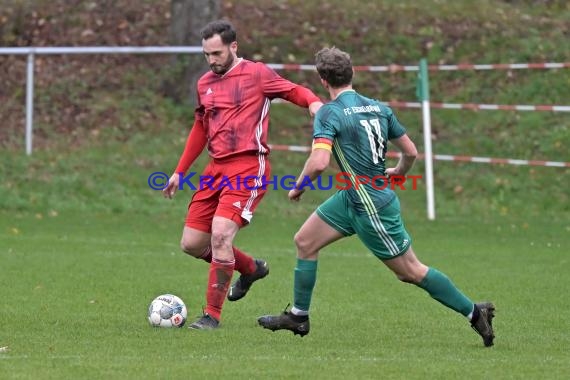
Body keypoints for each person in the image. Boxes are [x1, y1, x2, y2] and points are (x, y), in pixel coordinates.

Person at [257, 47, 496, 347]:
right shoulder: (378, 108)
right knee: (305, 241)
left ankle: (475, 312)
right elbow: (410, 151)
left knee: (410, 271)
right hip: (352, 198)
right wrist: (398, 171)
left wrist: (299, 186)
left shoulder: (329, 113)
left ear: (322, 80)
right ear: (352, 72)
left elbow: (319, 162)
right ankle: (298, 316)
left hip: (370, 206)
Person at [162, 20, 323, 330]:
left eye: (217, 53)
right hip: (215, 169)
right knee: (193, 243)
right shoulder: (204, 83)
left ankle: (211, 316)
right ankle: (250, 269)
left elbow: (293, 90)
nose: (211, 60)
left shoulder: (257, 74)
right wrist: (179, 172)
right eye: (206, 54)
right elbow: (200, 128)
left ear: (233, 47)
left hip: (249, 166)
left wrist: (314, 103)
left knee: (221, 235)